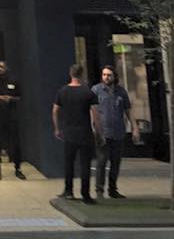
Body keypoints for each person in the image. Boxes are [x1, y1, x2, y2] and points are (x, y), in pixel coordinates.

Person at [52, 64, 101, 205]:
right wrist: (99, 132)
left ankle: (68, 191)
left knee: (69, 163)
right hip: (85, 132)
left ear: (70, 74)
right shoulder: (88, 92)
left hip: (69, 132)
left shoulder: (63, 91)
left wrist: (57, 128)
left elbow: (55, 110)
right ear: (82, 74)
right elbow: (96, 115)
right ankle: (85, 194)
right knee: (85, 164)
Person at [92, 65, 140, 199]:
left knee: (115, 162)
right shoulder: (96, 90)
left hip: (118, 131)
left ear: (114, 77)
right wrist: (96, 129)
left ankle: (113, 189)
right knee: (101, 161)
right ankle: (99, 190)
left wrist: (135, 128)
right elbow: (93, 111)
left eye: (109, 75)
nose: (106, 77)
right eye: (104, 75)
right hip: (103, 132)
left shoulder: (121, 92)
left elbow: (128, 111)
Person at [0, 60, 25, 180]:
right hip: (0, 116)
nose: (0, 68)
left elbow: (20, 97)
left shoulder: (14, 81)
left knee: (15, 143)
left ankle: (18, 168)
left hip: (12, 115)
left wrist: (11, 98)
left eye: (2, 66)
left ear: (6, 68)